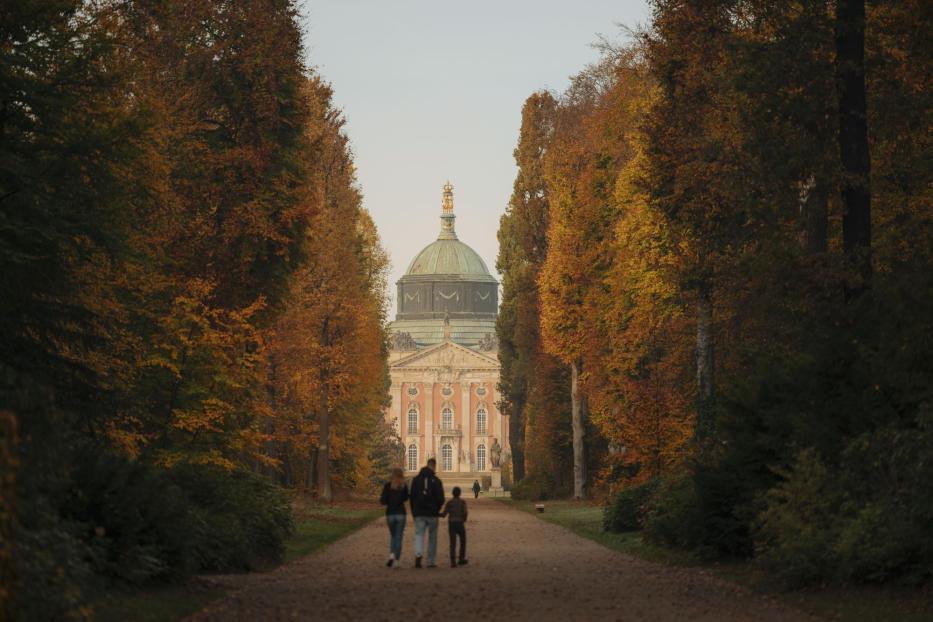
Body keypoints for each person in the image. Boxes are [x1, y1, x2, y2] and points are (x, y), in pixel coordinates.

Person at [409, 458, 444, 568]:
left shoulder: (416, 480)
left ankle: (418, 554)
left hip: (419, 513)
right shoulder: (437, 481)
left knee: (419, 535)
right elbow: (441, 499)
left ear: (426, 465)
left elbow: (412, 498)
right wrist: (437, 509)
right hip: (432, 514)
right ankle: (430, 561)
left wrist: (414, 512)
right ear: (434, 466)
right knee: (432, 537)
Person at [379, 467, 409, 568]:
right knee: (399, 537)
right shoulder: (403, 486)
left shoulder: (388, 486)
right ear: (401, 475)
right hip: (401, 513)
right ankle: (396, 560)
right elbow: (406, 498)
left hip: (390, 514)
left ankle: (392, 555)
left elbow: (382, 500)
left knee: (393, 536)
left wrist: (389, 501)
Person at [440, 486, 469, 567]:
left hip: (452, 523)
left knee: (453, 543)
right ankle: (461, 558)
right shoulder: (462, 502)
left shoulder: (449, 502)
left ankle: (453, 561)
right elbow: (465, 512)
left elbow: (444, 514)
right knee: (463, 541)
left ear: (452, 493)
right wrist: (464, 519)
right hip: (460, 523)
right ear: (460, 494)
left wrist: (436, 514)